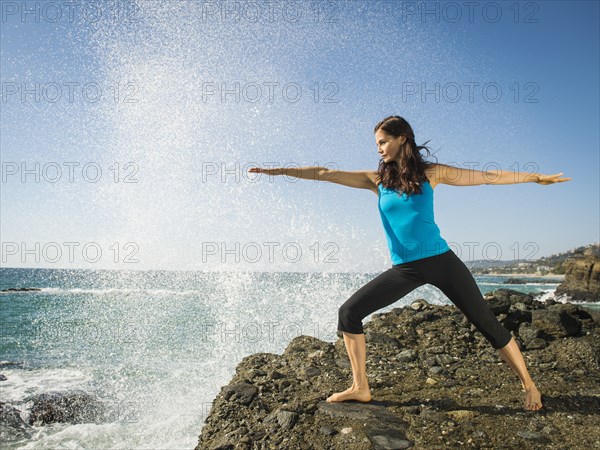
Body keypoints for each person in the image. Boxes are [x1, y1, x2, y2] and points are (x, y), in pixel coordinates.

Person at [248, 115, 571, 412]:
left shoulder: (433, 173)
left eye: (383, 141)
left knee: (486, 323)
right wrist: (277, 171)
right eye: (377, 144)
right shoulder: (376, 180)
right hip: (406, 268)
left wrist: (534, 177)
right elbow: (324, 173)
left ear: (402, 138)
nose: (379, 149)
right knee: (348, 312)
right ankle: (360, 386)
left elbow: (486, 177)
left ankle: (530, 386)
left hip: (442, 261)